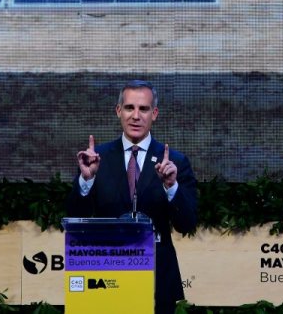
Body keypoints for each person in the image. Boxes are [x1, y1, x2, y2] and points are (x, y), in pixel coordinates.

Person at [67, 80, 197, 314]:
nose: (135, 116)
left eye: (143, 109)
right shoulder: (96, 159)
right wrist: (86, 181)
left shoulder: (175, 162)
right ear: (119, 111)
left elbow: (187, 223)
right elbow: (76, 218)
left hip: (157, 283)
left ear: (154, 114)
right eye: (129, 108)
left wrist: (171, 187)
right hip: (106, 277)